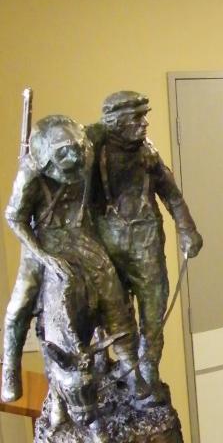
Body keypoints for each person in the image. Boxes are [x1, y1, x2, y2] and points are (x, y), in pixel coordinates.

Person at [1, 115, 148, 403]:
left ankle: (130, 367)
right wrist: (44, 257)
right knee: (19, 304)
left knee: (112, 293)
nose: (73, 162)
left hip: (81, 235)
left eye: (76, 153)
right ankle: (9, 368)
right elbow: (14, 217)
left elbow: (110, 124)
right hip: (42, 243)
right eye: (63, 158)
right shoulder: (30, 173)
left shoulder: (86, 148)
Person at [88, 91, 203, 389]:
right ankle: (108, 362)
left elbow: (172, 196)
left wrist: (187, 229)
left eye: (145, 115)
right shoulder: (93, 153)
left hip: (146, 243)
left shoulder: (147, 154)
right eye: (137, 118)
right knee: (109, 308)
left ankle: (149, 364)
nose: (144, 124)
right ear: (115, 123)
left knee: (154, 304)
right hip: (107, 245)